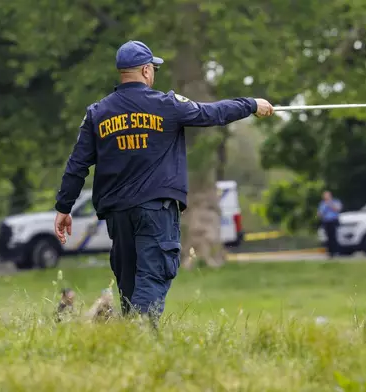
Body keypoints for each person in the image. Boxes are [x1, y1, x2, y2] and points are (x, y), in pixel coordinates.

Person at [53, 40, 274, 326]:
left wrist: (63, 207)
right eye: (153, 68)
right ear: (146, 71)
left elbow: (77, 166)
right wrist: (251, 104)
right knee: (154, 273)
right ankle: (140, 332)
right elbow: (213, 113)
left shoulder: (97, 113)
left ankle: (131, 340)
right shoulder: (167, 105)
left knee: (129, 280)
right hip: (156, 210)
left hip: (117, 212)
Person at [317, 190, 342, 258]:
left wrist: (330, 204)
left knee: (334, 236)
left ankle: (336, 251)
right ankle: (330, 252)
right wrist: (321, 213)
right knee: (328, 237)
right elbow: (319, 213)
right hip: (326, 221)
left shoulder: (335, 201)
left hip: (333, 220)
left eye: (327, 195)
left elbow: (338, 209)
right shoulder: (322, 203)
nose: (326, 197)